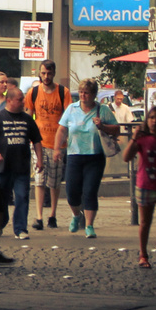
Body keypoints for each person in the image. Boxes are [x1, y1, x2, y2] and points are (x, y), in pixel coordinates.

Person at [54, 79, 120, 238]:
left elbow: (116, 129)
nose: (83, 96)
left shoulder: (102, 110)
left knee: (90, 191)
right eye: (81, 92)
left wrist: (102, 126)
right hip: (74, 155)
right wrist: (57, 149)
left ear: (94, 95)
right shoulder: (71, 109)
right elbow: (62, 130)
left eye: (87, 93)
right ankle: (76, 215)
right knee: (71, 192)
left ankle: (89, 225)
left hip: (95, 156)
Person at [123, 105, 156, 272]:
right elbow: (126, 157)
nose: (154, 121)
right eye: (152, 118)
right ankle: (143, 255)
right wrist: (134, 138)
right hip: (145, 184)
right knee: (145, 222)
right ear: (147, 120)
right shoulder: (141, 140)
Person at [0, 84, 41, 241]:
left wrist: (40, 159)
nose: (23, 102)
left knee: (22, 197)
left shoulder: (27, 119)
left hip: (21, 166)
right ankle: (0, 223)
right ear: (9, 100)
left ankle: (20, 228)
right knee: (1, 198)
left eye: (23, 99)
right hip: (2, 166)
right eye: (19, 100)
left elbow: (37, 140)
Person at [27, 62, 71, 230]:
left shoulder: (63, 92)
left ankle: (52, 214)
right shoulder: (34, 92)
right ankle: (39, 216)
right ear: (40, 73)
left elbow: (67, 118)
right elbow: (29, 116)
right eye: (43, 73)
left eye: (49, 73)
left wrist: (61, 143)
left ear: (54, 73)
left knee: (54, 181)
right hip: (38, 142)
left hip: (57, 143)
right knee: (39, 180)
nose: (46, 77)